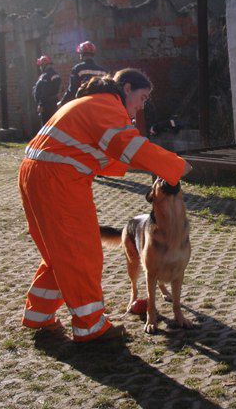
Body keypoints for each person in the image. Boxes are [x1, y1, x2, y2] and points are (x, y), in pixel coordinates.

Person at [18, 68, 192, 342]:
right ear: (125, 89)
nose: (141, 105)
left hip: (36, 175)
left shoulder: (89, 104)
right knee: (82, 252)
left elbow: (115, 155)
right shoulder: (106, 106)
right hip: (59, 181)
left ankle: (40, 316)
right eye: (142, 97)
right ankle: (92, 329)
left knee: (58, 252)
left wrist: (153, 163)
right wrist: (174, 165)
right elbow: (128, 145)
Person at [57, 41, 107, 107]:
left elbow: (72, 89)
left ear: (82, 54)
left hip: (84, 104)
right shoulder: (102, 71)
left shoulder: (78, 68)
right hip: (100, 104)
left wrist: (62, 102)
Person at [33, 55, 61, 126]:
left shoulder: (46, 76)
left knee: (46, 126)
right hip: (53, 104)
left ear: (44, 65)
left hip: (47, 106)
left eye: (40, 65)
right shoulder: (55, 74)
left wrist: (41, 104)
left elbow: (45, 92)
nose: (40, 68)